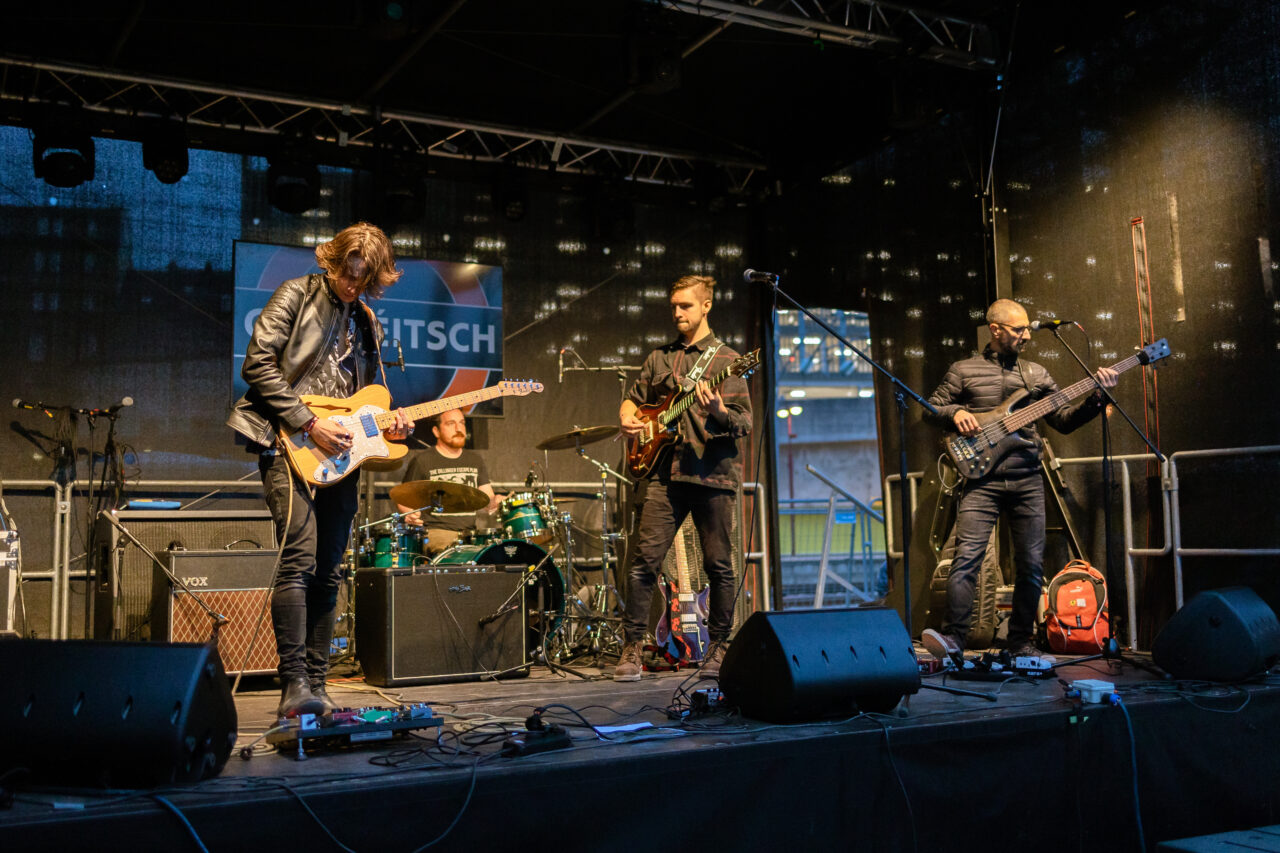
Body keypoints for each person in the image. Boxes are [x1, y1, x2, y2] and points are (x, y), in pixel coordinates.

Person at [228, 222, 414, 717]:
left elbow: (366, 400)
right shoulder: (295, 294)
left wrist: (390, 425)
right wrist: (309, 422)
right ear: (332, 262)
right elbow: (257, 363)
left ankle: (317, 683)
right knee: (299, 561)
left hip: (342, 455)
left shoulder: (368, 321)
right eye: (347, 275)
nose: (352, 286)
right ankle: (293, 685)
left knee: (330, 572)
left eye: (363, 280)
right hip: (289, 441)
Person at [920, 298, 1118, 662]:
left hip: (1027, 477)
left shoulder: (1036, 374)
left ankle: (1020, 642)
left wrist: (1096, 398)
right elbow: (930, 409)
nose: (1026, 335)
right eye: (1018, 329)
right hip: (981, 479)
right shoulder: (963, 370)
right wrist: (956, 412)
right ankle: (954, 639)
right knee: (967, 558)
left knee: (1031, 564)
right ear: (995, 330)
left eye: (1028, 328)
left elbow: (1063, 420)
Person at [614, 275, 753, 681]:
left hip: (712, 476)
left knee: (719, 566)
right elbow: (633, 399)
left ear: (706, 306)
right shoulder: (659, 358)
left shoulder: (729, 361)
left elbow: (743, 423)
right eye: (673, 306)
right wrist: (626, 417)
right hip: (664, 473)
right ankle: (632, 647)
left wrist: (719, 412)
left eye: (685, 305)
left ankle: (719, 647)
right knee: (643, 562)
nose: (677, 312)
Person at [396, 408, 501, 553]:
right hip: (437, 533)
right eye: (451, 423)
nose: (458, 428)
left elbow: (487, 498)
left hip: (470, 534)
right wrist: (410, 514)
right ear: (436, 431)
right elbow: (403, 499)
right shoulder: (422, 460)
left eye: (462, 423)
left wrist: (497, 501)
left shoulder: (475, 460)